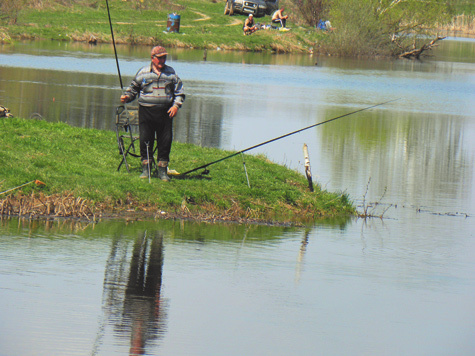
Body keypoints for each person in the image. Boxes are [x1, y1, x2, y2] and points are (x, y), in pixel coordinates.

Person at [120, 46, 185, 181]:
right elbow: (133, 90)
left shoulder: (171, 73)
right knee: (145, 139)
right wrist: (126, 97)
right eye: (159, 58)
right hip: (146, 111)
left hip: (166, 112)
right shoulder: (142, 73)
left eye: (164, 57)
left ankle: (162, 171)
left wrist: (176, 106)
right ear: (152, 58)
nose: (162, 60)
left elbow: (179, 93)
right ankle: (146, 170)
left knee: (165, 141)